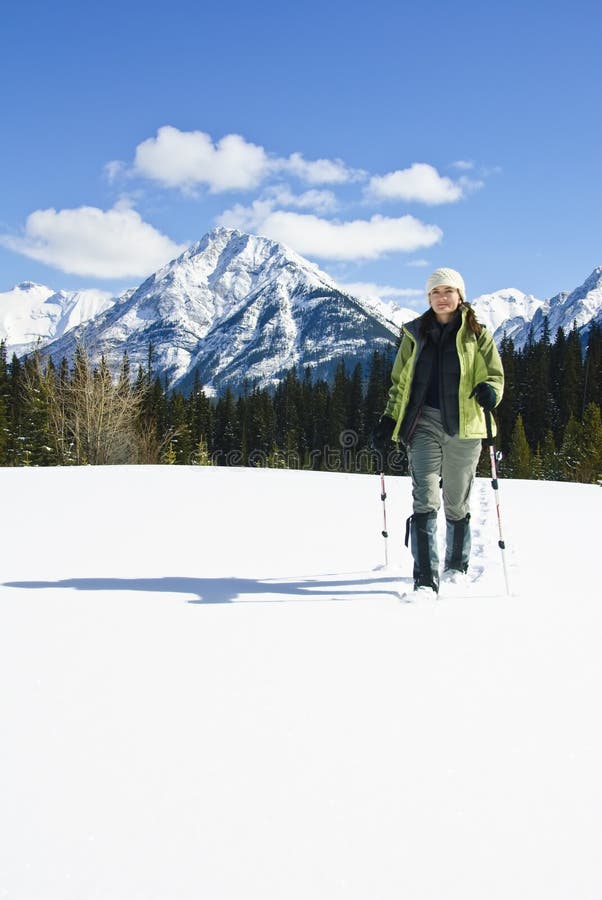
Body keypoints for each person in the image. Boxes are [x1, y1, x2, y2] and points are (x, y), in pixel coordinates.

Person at [372, 267, 504, 597]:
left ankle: (456, 566)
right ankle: (425, 577)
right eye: (435, 292)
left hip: (465, 426)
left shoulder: (478, 334)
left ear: (460, 296)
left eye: (448, 291)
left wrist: (490, 390)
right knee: (425, 497)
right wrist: (389, 418)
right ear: (428, 298)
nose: (442, 298)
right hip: (424, 424)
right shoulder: (415, 335)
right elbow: (400, 383)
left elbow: (495, 376)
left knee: (456, 501)